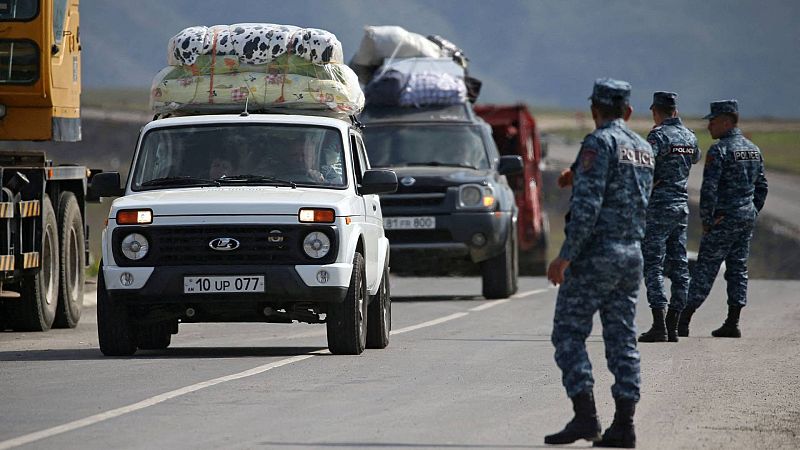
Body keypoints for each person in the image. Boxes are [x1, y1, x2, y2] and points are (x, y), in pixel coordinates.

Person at [545, 78, 653, 448]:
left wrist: (565, 256)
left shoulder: (598, 142)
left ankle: (586, 417)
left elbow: (589, 209)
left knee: (568, 333)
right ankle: (624, 424)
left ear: (594, 110)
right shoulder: (642, 148)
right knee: (622, 338)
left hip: (596, 256)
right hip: (631, 254)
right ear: (628, 111)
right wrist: (576, 175)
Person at [678, 100, 768, 338]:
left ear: (727, 121)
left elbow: (709, 190)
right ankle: (733, 321)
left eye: (713, 121)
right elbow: (762, 187)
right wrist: (751, 210)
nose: (709, 127)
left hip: (723, 219)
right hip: (745, 218)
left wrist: (708, 221)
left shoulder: (720, 151)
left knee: (705, 269)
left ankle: (683, 320)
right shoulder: (753, 149)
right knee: (738, 268)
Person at [638, 92, 701, 343]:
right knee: (679, 265)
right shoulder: (690, 136)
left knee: (653, 263)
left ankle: (658, 324)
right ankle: (673, 324)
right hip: (681, 206)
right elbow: (695, 157)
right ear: (675, 111)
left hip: (659, 206)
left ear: (656, 111)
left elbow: (644, 165)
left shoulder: (658, 136)